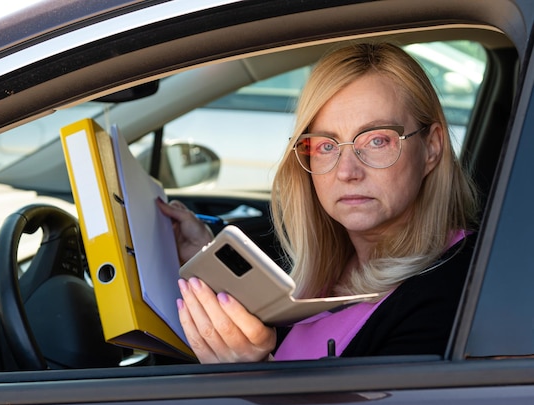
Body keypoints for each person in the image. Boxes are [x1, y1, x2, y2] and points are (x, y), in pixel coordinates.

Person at [157, 43, 478, 363]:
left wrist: (254, 379)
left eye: (377, 140)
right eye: (326, 146)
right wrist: (205, 253)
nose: (347, 171)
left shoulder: (458, 292)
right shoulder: (329, 269)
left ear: (432, 148)